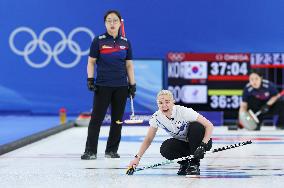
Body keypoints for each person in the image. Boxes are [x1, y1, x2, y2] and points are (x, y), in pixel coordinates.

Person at [81, 10, 136, 160]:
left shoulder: (125, 42)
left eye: (115, 20)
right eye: (109, 21)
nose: (112, 24)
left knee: (117, 120)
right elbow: (91, 62)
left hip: (121, 87)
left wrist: (132, 84)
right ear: (105, 23)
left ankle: (111, 150)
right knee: (96, 119)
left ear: (120, 23)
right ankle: (90, 151)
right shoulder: (98, 41)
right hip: (103, 86)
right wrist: (90, 79)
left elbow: (129, 65)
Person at [128, 90, 214, 175]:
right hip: (185, 145)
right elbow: (148, 139)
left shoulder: (183, 111)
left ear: (173, 102)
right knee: (165, 148)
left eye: (167, 102)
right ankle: (185, 164)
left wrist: (203, 145)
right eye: (160, 103)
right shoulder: (157, 117)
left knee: (196, 126)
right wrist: (137, 158)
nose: (164, 105)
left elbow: (209, 125)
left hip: (201, 142)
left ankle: (194, 164)